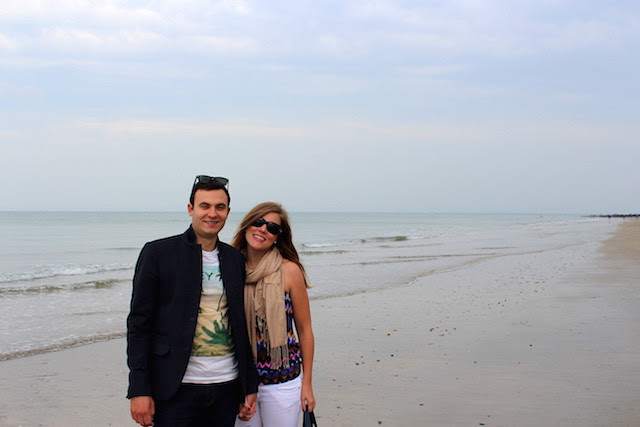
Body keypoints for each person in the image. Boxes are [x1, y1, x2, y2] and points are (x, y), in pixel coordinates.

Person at [127, 175, 258, 427]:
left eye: (220, 207)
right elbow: (139, 324)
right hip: (175, 388)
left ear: (228, 212)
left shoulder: (234, 260)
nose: (212, 213)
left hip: (226, 387)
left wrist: (248, 384)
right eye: (204, 206)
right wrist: (139, 388)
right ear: (190, 209)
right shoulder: (158, 253)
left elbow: (241, 327)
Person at [231, 202, 316, 427]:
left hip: (282, 382)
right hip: (240, 383)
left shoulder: (289, 271)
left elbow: (305, 330)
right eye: (258, 222)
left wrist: (307, 384)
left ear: (278, 237)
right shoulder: (230, 267)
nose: (262, 230)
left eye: (272, 228)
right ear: (247, 225)